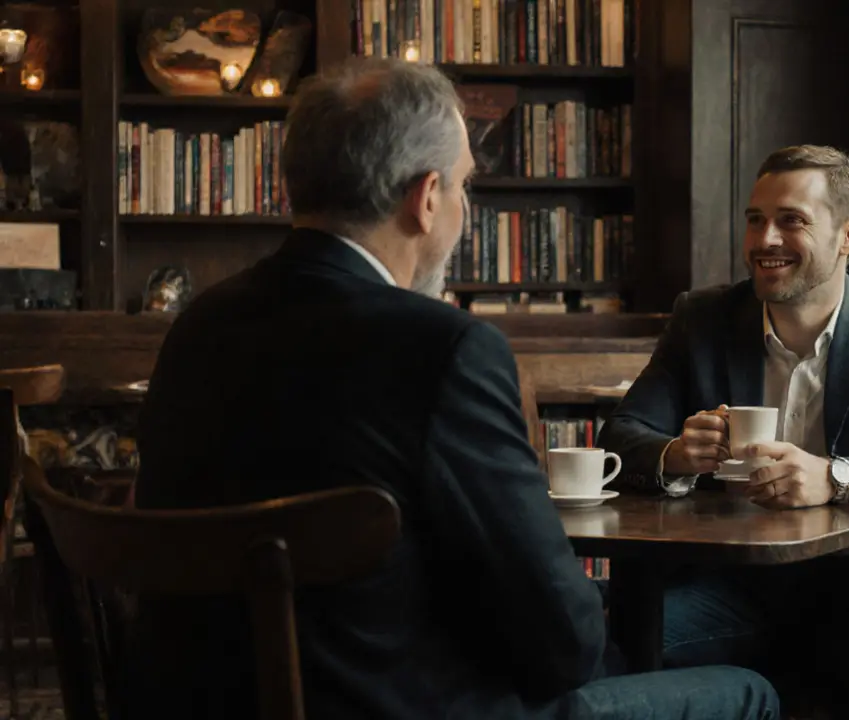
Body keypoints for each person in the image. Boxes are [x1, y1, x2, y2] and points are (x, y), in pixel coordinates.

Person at [126, 57, 780, 720]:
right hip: (409, 705)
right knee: (749, 692)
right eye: (467, 187)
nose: (465, 209)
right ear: (427, 196)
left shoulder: (198, 325)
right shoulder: (444, 348)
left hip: (198, 700)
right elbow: (564, 645)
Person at [596, 145, 849, 719]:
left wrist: (836, 476)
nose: (765, 240)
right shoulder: (701, 319)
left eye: (791, 220)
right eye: (756, 219)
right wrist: (676, 454)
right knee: (613, 652)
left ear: (848, 236)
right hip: (732, 585)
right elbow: (620, 437)